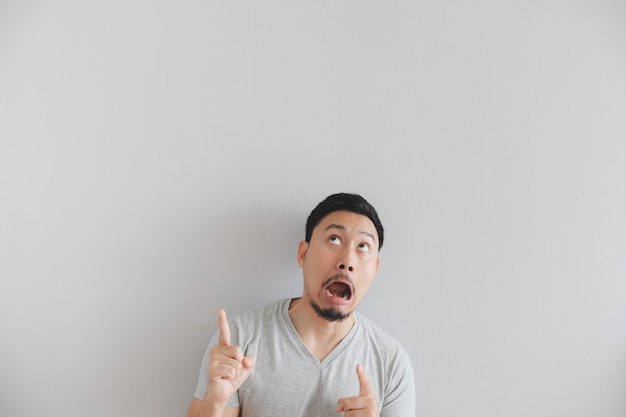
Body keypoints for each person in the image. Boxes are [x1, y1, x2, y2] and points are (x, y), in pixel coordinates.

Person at [186, 193, 415, 417]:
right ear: (303, 254)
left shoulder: (391, 362)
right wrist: (215, 403)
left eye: (363, 246)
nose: (347, 261)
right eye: (334, 239)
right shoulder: (239, 340)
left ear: (374, 270)